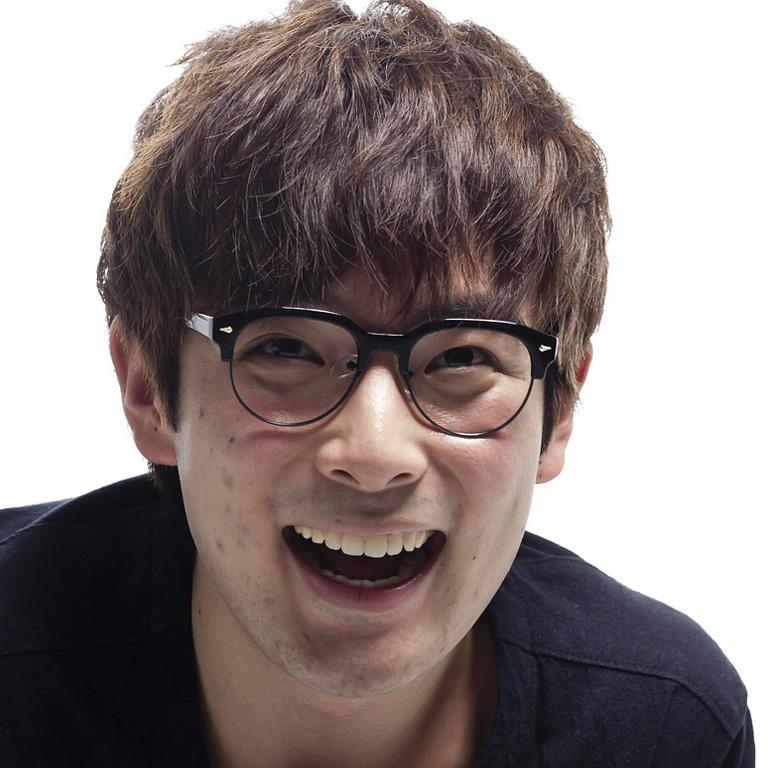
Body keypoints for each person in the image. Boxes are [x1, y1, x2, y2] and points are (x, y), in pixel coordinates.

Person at [0, 0, 754, 764]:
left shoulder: (661, 727)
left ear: (558, 411)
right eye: (286, 348)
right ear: (146, 390)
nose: (372, 452)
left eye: (461, 359)